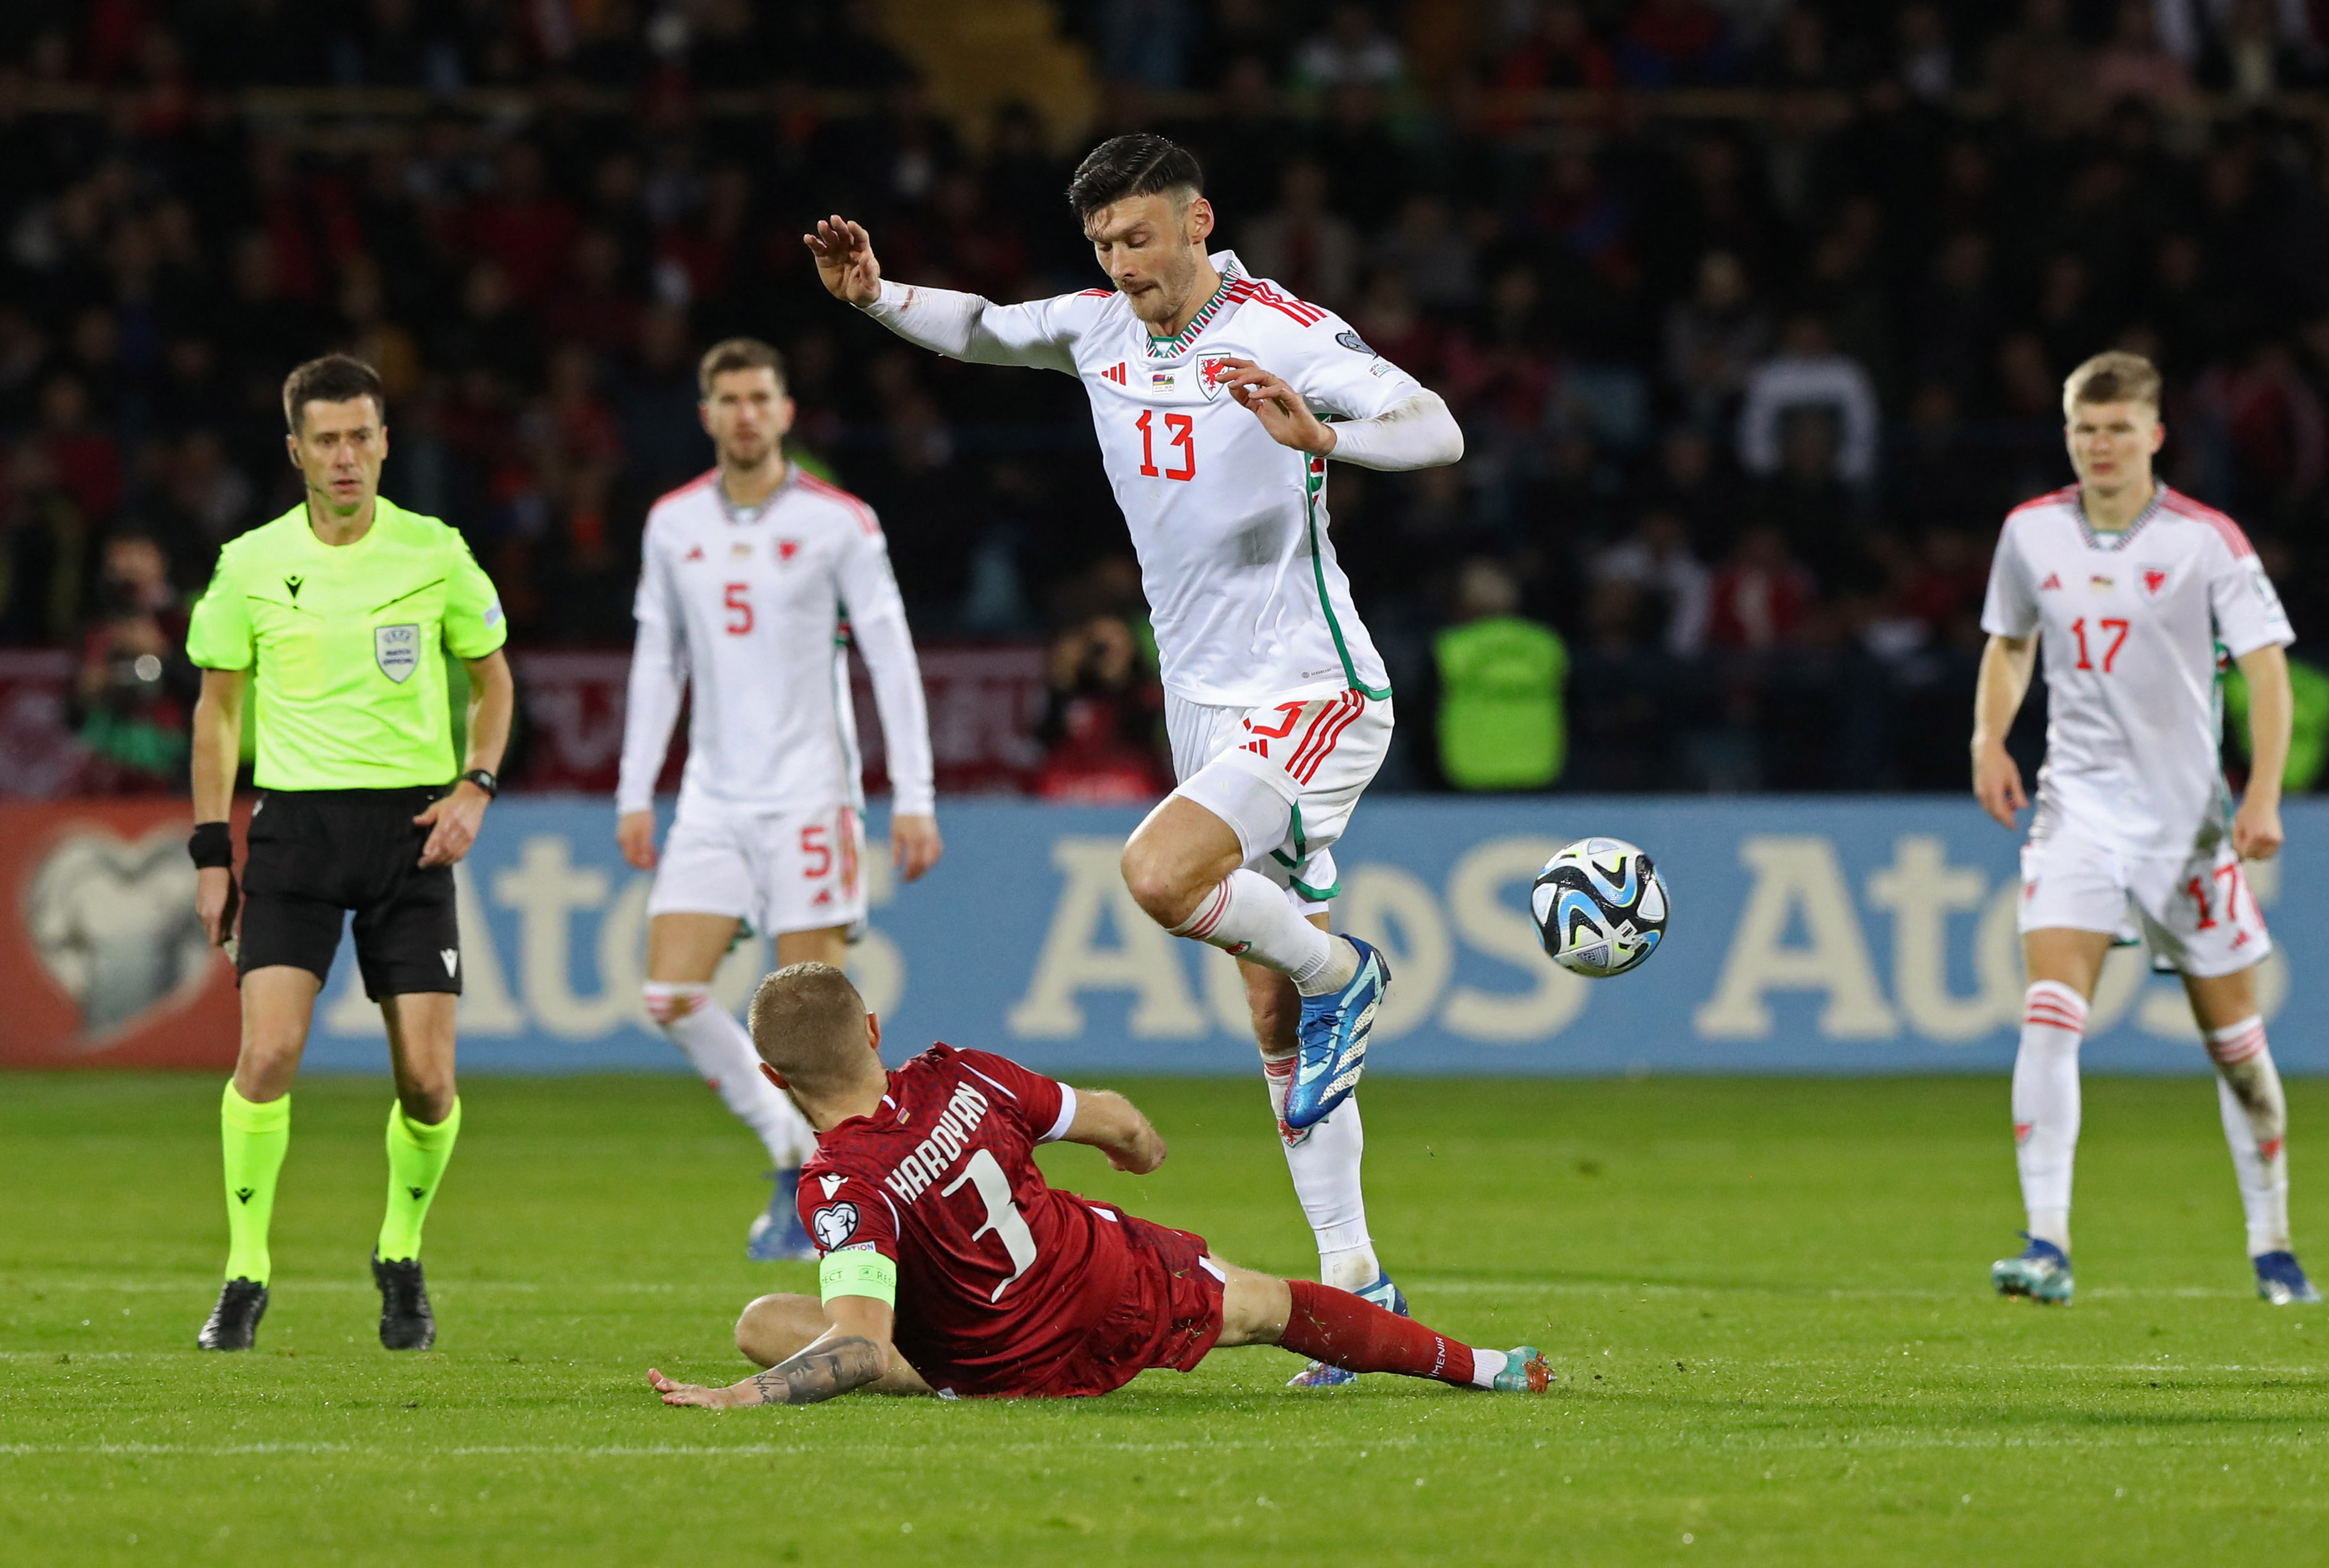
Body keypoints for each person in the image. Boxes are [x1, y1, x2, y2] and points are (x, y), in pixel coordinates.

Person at [804, 133, 1467, 1385]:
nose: (1123, 266)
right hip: (1206, 711)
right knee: (1268, 1011)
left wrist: (1317, 430)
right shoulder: (1100, 328)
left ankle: (1351, 970)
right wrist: (875, 296)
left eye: (1140, 239)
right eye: (1103, 246)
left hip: (1311, 689)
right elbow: (989, 326)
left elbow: (1431, 430)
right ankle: (1356, 1282)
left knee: (1162, 877)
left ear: (1197, 220)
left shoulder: (1280, 327)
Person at [644, 962, 1551, 1406]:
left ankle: (950, 1377)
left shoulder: (843, 1189)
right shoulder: (967, 1075)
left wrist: (740, 1398)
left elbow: (857, 1348)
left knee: (766, 1326)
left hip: (1001, 1369)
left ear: (772, 1078)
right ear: (873, 1029)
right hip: (1109, 1284)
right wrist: (1137, 1151)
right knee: (1272, 1307)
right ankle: (1486, 1368)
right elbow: (1115, 1118)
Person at [1972, 350, 2317, 1308]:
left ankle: (2273, 1242)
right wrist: (1986, 736)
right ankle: (2045, 1243)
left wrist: (2259, 798)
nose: (2100, 447)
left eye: (2118, 430)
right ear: (2069, 435)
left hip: (2186, 830)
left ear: (2154, 436)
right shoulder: (2030, 534)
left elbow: (2267, 672)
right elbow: (2009, 643)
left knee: (2235, 1049)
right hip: (2076, 810)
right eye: (2085, 430)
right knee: (2048, 1010)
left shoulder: (2207, 542)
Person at [185, 354, 515, 1351]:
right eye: (324, 440)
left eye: (359, 437)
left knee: (429, 1081)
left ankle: (399, 1252)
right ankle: (245, 1272)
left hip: (410, 836)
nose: (343, 457)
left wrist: (476, 785)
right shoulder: (249, 563)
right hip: (294, 830)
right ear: (295, 451)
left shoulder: (435, 551)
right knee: (269, 1053)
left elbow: (495, 683)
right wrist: (212, 849)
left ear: (383, 443)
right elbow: (216, 713)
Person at [615, 338, 941, 1260]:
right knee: (670, 993)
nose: (747, 413)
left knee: (811, 1024)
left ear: (786, 412)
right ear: (708, 415)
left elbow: (890, 657)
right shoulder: (673, 523)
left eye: (762, 397)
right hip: (712, 799)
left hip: (811, 798)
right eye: (730, 399)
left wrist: (911, 795)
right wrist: (637, 789)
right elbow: (658, 661)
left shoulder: (841, 521)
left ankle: (854, 1209)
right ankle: (789, 1146)